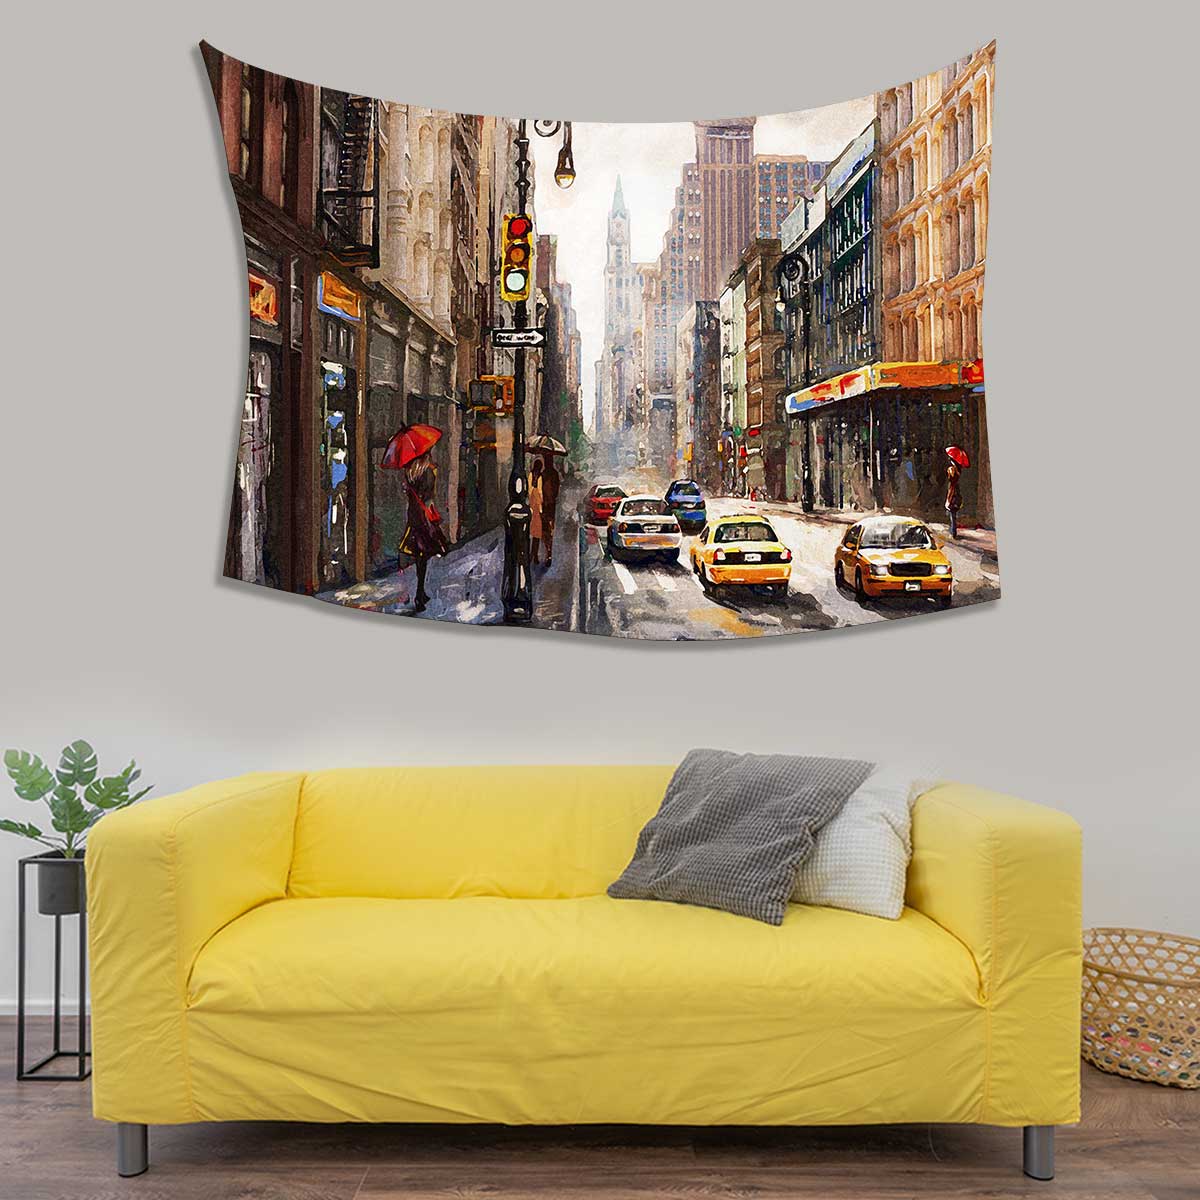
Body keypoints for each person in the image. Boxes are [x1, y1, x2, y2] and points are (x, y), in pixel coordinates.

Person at [398, 451, 450, 612]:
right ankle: (419, 593)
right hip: (424, 517)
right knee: (424, 554)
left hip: (414, 515)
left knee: (419, 552)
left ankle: (419, 592)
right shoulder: (427, 471)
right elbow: (428, 498)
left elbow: (410, 494)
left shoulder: (410, 472)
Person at [540, 455, 561, 566]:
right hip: (549, 504)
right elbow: (556, 489)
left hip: (547, 505)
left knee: (547, 529)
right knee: (548, 528)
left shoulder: (545, 474)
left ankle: (548, 551)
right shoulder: (553, 474)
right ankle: (548, 551)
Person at [528, 459, 544, 565]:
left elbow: (529, 491)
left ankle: (531, 554)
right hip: (537, 508)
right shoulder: (540, 477)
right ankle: (535, 555)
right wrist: (541, 507)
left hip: (531, 506)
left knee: (530, 532)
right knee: (537, 533)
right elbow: (540, 492)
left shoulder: (530, 475)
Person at [945, 461, 963, 539]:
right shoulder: (956, 481)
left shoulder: (952, 484)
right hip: (956, 501)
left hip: (953, 501)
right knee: (953, 517)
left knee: (952, 517)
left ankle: (953, 533)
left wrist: (948, 501)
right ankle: (953, 531)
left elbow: (951, 493)